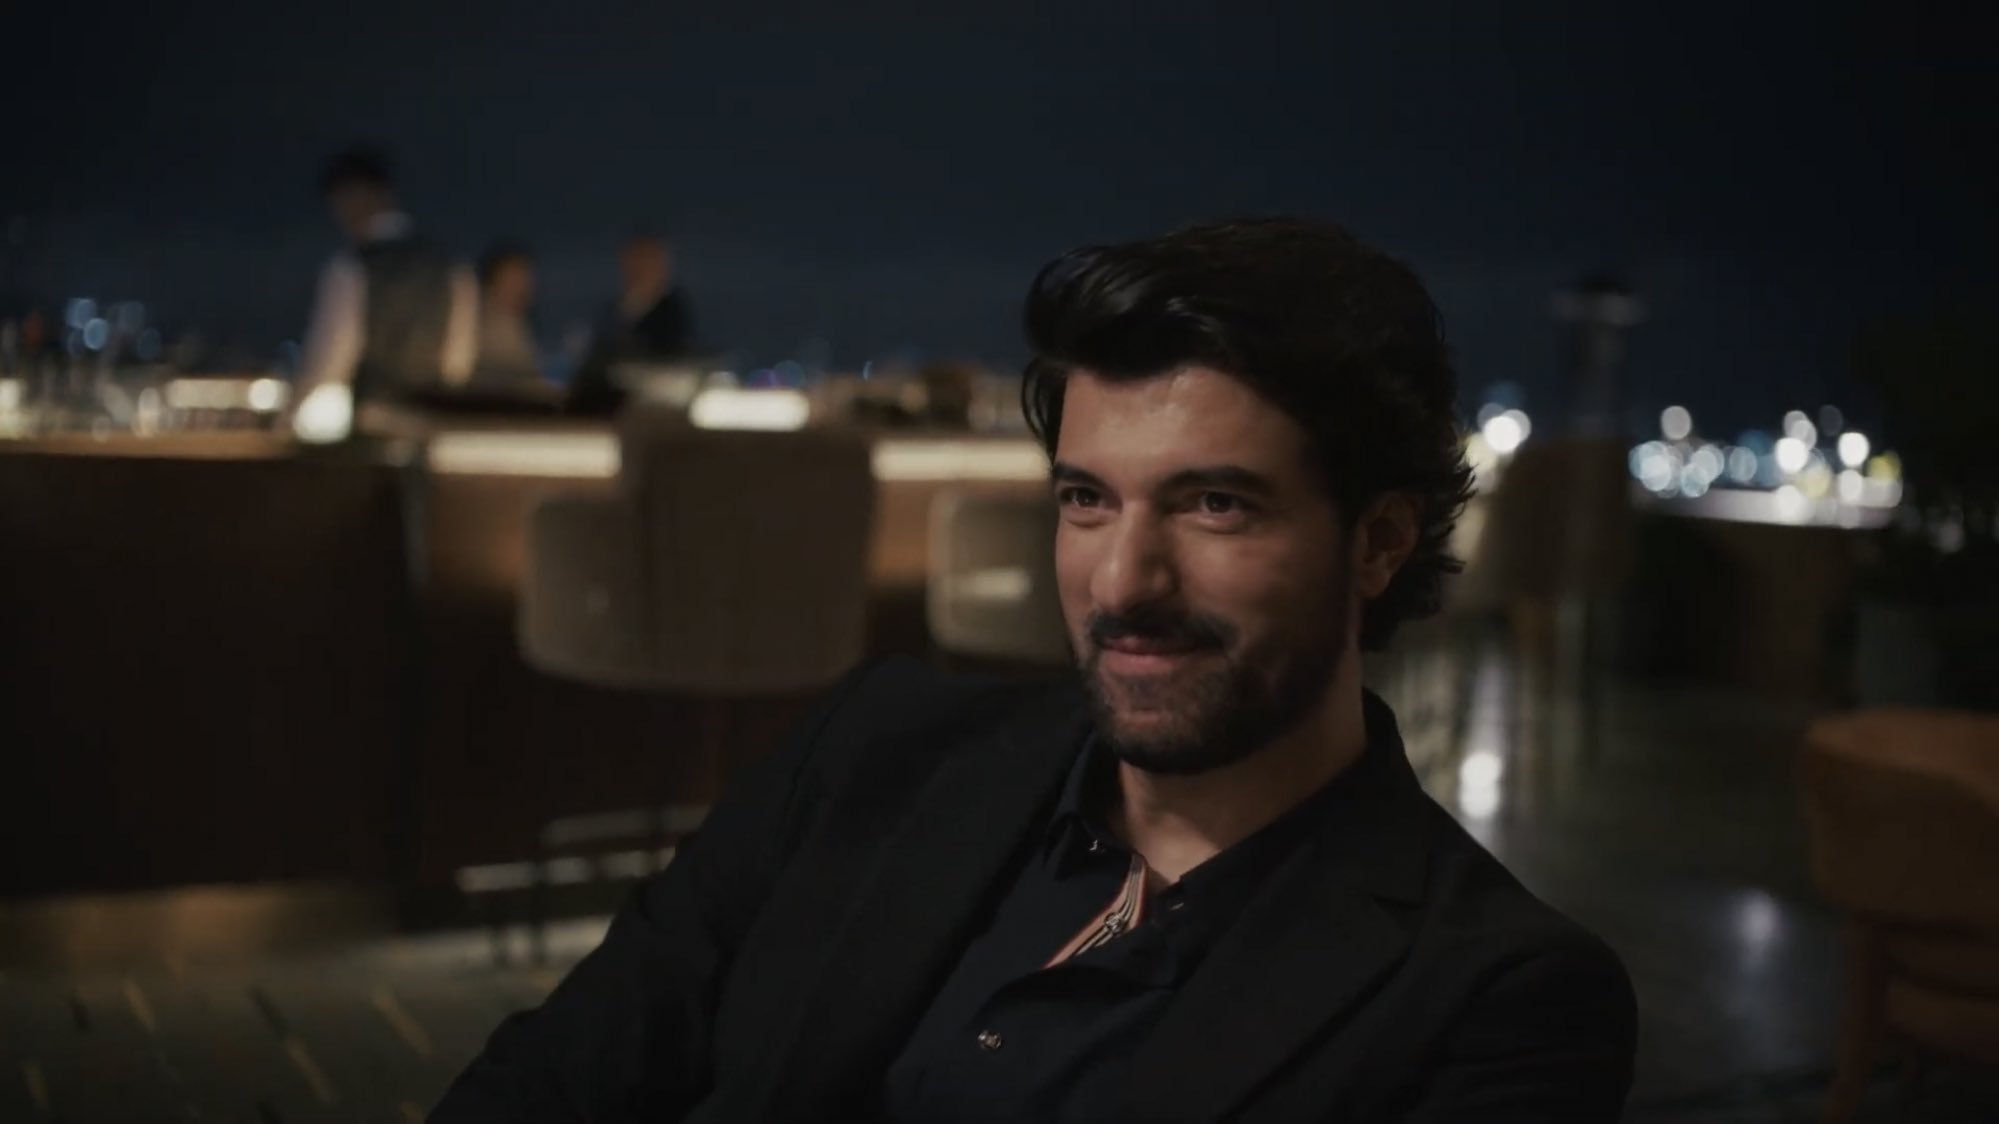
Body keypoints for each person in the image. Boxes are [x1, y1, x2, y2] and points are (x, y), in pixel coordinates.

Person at [432, 217, 1637, 1123]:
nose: (1122, 580)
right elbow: (560, 1073)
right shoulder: (875, 749)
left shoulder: (1496, 1000)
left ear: (1378, 541)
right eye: (1085, 498)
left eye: (1214, 504)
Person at [286, 146, 476, 442]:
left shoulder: (351, 267)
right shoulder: (452, 269)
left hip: (368, 430)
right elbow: (458, 364)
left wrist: (287, 423)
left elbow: (329, 360)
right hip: (429, 431)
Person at [565, 230, 696, 415]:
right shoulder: (615, 311)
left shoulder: (672, 312)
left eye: (647, 261)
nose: (639, 269)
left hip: (655, 400)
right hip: (611, 401)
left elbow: (670, 355)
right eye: (634, 262)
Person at [469, 241, 546, 388]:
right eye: (513, 280)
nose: (523, 290)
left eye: (526, 280)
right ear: (492, 282)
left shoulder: (518, 325)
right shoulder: (484, 327)